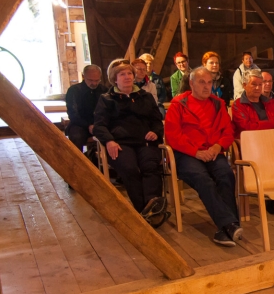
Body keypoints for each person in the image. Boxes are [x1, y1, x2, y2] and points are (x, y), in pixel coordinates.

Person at [165, 67, 243, 247]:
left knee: (226, 174)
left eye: (210, 82)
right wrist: (196, 152)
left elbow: (228, 131)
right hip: (186, 153)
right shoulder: (178, 104)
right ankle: (230, 225)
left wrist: (218, 146)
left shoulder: (218, 103)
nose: (207, 86)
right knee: (203, 179)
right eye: (202, 82)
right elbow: (173, 136)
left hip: (213, 151)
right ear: (191, 83)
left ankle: (226, 228)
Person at [93, 59, 167, 226]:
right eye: (122, 74)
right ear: (115, 79)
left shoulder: (145, 97)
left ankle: (151, 205)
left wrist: (155, 132)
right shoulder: (107, 99)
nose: (127, 77)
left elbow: (157, 121)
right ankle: (147, 211)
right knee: (129, 168)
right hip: (120, 143)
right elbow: (99, 126)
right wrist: (109, 141)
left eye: (129, 74)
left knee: (151, 166)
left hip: (145, 141)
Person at [230, 68, 274, 216]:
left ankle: (272, 196)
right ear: (244, 85)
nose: (258, 88)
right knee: (272, 164)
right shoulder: (238, 105)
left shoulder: (270, 103)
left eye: (260, 84)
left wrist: (270, 128)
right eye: (253, 84)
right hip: (251, 149)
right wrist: (272, 125)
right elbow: (247, 128)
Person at [65, 64, 107, 151]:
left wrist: (98, 124)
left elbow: (107, 111)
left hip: (99, 124)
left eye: (97, 80)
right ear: (83, 76)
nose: (94, 83)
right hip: (80, 124)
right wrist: (88, 125)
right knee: (77, 136)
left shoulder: (104, 90)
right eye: (91, 80)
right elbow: (73, 114)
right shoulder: (74, 90)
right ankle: (77, 162)